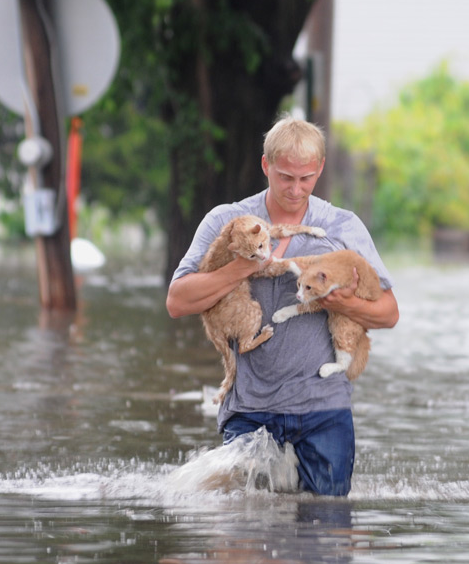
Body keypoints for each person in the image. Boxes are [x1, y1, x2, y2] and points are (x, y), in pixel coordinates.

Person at [166, 115, 399, 496]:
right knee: (243, 537)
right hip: (249, 408)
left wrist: (345, 302)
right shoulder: (228, 223)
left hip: (323, 409)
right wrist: (242, 267)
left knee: (325, 535)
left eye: (306, 178)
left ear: (320, 169)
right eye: (285, 177)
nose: (295, 189)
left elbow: (389, 313)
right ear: (265, 166)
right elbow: (177, 302)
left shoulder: (342, 227)